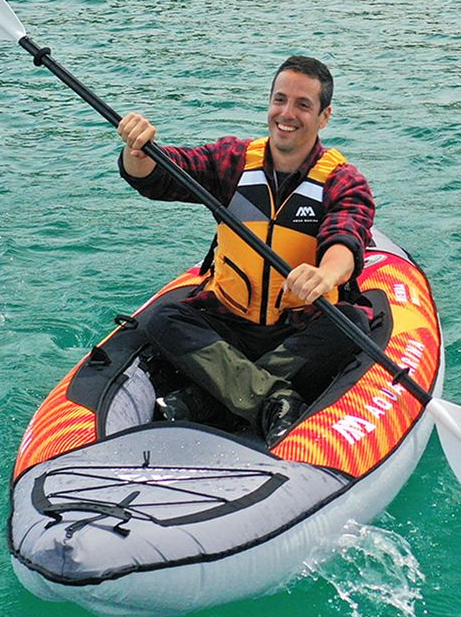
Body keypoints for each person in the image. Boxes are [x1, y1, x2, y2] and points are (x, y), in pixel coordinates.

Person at [116, 56, 377, 446]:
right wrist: (137, 154)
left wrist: (326, 274)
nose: (287, 114)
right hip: (229, 322)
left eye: (303, 105)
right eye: (280, 100)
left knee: (350, 325)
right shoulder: (234, 162)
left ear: (324, 116)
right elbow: (162, 176)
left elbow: (347, 236)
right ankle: (274, 399)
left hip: (299, 326)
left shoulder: (343, 180)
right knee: (164, 318)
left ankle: (209, 400)